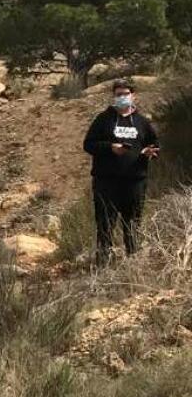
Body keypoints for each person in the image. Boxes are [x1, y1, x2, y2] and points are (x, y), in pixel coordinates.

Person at [82, 79, 160, 264]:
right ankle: (104, 263)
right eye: (118, 94)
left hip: (135, 182)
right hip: (106, 183)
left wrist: (150, 152)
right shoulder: (103, 120)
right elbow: (88, 144)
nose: (122, 97)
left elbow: (154, 144)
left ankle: (133, 263)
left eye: (126, 94)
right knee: (105, 225)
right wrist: (110, 147)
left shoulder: (142, 122)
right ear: (113, 97)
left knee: (132, 224)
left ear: (133, 96)